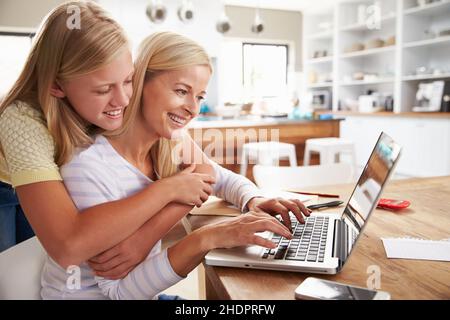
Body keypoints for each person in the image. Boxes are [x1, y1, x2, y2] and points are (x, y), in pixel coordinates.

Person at [40, 31, 311, 300]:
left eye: (200, 97)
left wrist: (253, 198)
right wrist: (205, 238)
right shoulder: (89, 166)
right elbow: (119, 293)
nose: (193, 109)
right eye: (182, 91)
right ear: (138, 83)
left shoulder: (170, 141)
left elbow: (218, 177)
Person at [0, 0, 214, 266]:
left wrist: (145, 237)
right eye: (103, 90)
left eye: (128, 81)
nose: (124, 100)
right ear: (56, 84)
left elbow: (204, 173)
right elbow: (67, 247)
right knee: (15, 272)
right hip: (7, 190)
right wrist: (167, 190)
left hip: (53, 177)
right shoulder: (22, 119)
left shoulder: (110, 100)